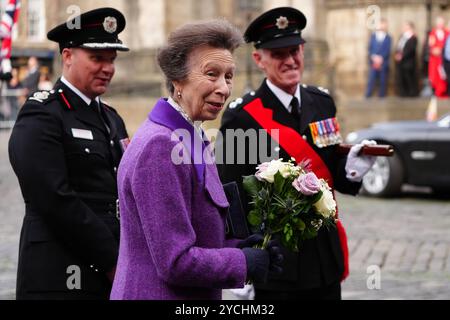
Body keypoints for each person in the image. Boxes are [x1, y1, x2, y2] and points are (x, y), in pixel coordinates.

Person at [110, 19, 283, 300]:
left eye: (229, 76)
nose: (224, 88)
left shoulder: (190, 135)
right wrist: (242, 263)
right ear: (178, 79)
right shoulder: (160, 145)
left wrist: (239, 247)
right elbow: (174, 261)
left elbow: (199, 228)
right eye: (211, 74)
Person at [218, 7, 376, 300]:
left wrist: (351, 171)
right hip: (277, 262)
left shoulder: (322, 102)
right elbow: (232, 193)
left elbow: (328, 174)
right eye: (279, 54)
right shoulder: (242, 116)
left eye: (295, 51)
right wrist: (240, 257)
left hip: (324, 259)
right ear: (259, 59)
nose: (290, 61)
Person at [9, 7, 130, 300]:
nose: (108, 68)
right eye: (97, 58)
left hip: (109, 272)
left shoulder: (111, 118)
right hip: (60, 269)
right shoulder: (43, 113)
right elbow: (53, 198)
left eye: (111, 60)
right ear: (67, 56)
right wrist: (110, 257)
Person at [365, 18, 392, 98]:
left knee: (383, 79)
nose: (382, 26)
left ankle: (382, 95)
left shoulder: (388, 37)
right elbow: (370, 48)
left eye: (384, 24)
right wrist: (373, 57)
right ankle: (368, 94)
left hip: (383, 61)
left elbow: (388, 49)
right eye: (381, 24)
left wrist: (381, 58)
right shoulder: (373, 36)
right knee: (371, 79)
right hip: (373, 61)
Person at [394, 21, 418, 97]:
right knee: (401, 78)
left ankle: (412, 93)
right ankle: (403, 93)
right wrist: (397, 54)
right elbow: (399, 47)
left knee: (409, 78)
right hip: (400, 62)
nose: (404, 28)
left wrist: (402, 55)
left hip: (408, 62)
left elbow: (411, 49)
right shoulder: (402, 36)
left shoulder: (413, 37)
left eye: (406, 26)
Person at [428, 16, 448, 98]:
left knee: (444, 76)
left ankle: (444, 92)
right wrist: (433, 50)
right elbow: (430, 45)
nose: (440, 24)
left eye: (441, 22)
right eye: (439, 22)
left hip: (444, 58)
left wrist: (442, 50)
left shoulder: (447, 33)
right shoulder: (433, 33)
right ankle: (436, 92)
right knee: (435, 75)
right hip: (435, 59)